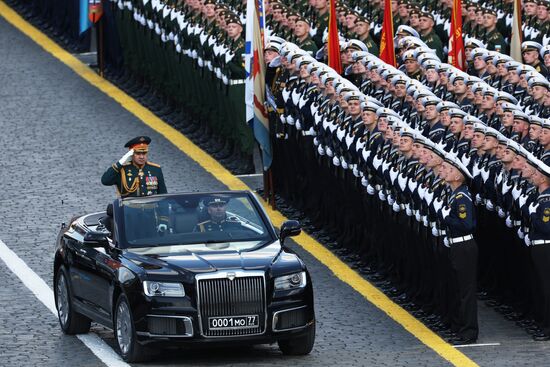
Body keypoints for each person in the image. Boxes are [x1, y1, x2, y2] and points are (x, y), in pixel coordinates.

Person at [438, 155, 479, 345]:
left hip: (464, 246)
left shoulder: (462, 197)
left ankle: (469, 331)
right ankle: (460, 327)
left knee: (466, 291)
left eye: (447, 169)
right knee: (458, 289)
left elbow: (467, 224)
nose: (443, 171)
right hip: (456, 244)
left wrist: (446, 217)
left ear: (457, 176)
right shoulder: (454, 194)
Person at [101, 136, 167, 197]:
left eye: (144, 153)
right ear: (131, 154)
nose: (141, 157)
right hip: (129, 209)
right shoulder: (122, 170)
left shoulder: (156, 169)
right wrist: (121, 162)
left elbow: (163, 195)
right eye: (138, 153)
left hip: (151, 208)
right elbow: (105, 181)